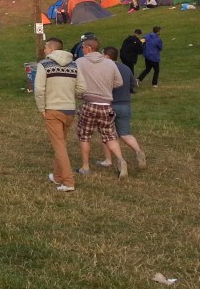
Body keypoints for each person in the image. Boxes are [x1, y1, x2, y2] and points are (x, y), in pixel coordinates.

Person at [34, 37, 87, 192]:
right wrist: (72, 95)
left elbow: (39, 89)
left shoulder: (44, 65)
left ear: (51, 49)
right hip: (69, 110)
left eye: (45, 47)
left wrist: (41, 108)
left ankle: (68, 182)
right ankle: (57, 177)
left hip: (52, 109)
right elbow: (82, 88)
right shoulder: (74, 65)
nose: (43, 50)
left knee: (59, 147)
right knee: (61, 143)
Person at [74, 37, 128, 178]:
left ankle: (85, 167)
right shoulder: (109, 63)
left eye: (83, 48)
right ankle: (121, 161)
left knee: (85, 136)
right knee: (110, 136)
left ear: (89, 48)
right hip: (106, 106)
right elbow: (118, 82)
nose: (82, 50)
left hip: (89, 104)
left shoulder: (79, 62)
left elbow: (75, 80)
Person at [99, 46, 148, 170]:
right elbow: (133, 84)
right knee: (125, 133)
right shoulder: (126, 68)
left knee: (107, 134)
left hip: (109, 105)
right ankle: (138, 151)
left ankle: (108, 159)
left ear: (107, 56)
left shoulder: (105, 68)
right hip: (125, 105)